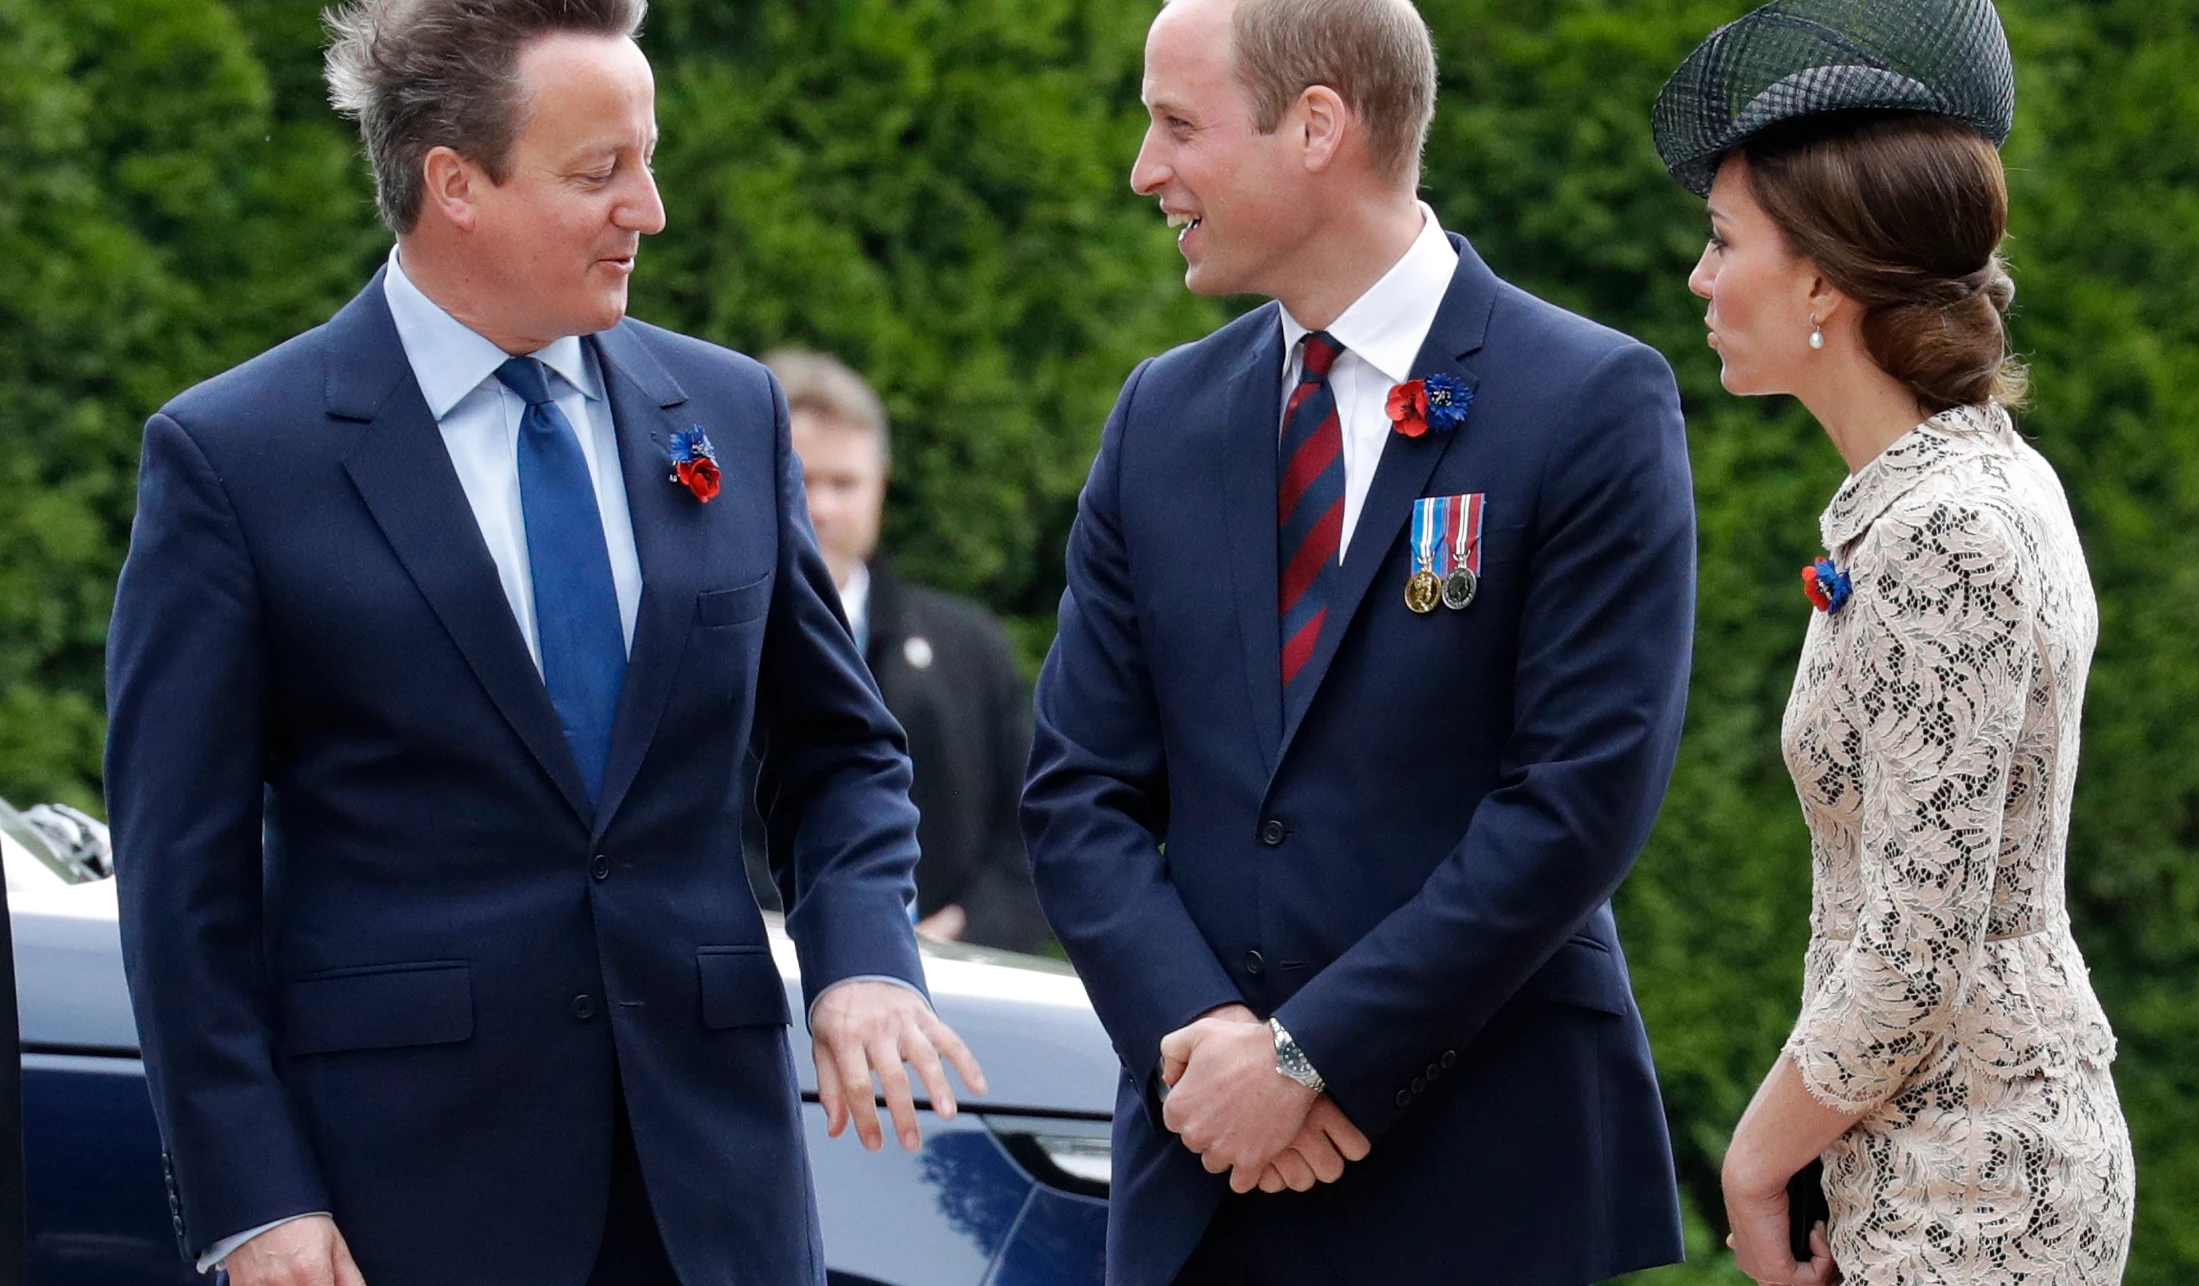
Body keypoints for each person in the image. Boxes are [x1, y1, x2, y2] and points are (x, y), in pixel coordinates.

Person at [103, 2, 984, 1283]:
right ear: (455, 183)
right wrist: (256, 1200)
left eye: (649, 157)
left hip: (715, 1198)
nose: (652, 208)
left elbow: (839, 752)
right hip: (405, 1199)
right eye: (600, 173)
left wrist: (862, 963)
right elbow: (182, 884)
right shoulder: (236, 457)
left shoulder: (727, 410)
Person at [1021, 0, 1699, 1280]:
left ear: (1317, 124)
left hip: (1484, 1173)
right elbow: (1078, 790)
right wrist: (1208, 1040)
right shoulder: (1160, 416)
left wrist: (1313, 1054)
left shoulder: (1590, 401)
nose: (1144, 170)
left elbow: (1578, 798)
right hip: (1205, 1169)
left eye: (1175, 125)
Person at [1654, 2, 2136, 1283]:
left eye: (1722, 241)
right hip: (1934, 1152)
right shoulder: (1973, 480)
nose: (1701, 280)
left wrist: (1752, 1160)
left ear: (1820, 278)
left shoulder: (1947, 532)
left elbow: (1921, 945)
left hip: (1975, 1185)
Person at [752, 349, 1050, 953]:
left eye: (844, 483)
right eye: (802, 482)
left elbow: (1033, 837)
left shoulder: (972, 648)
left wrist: (950, 940)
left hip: (958, 992)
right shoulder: (702, 639)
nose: (823, 507)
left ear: (880, 488)